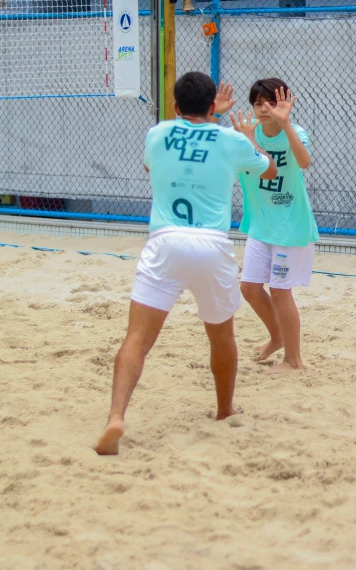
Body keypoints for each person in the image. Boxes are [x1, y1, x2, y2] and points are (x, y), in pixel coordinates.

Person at [94, 72, 277, 455]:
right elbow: (270, 170)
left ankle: (115, 417)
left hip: (165, 243)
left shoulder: (158, 133)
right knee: (221, 337)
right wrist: (238, 132)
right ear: (212, 106)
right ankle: (224, 410)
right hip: (211, 246)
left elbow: (154, 166)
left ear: (176, 106)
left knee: (136, 338)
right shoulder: (230, 140)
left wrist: (207, 120)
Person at [227, 78, 319, 373]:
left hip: (290, 225)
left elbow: (304, 162)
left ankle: (294, 360)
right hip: (261, 224)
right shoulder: (245, 134)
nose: (264, 109)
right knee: (250, 288)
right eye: (258, 104)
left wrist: (286, 124)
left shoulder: (295, 132)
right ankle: (277, 337)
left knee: (280, 291)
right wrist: (218, 116)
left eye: (270, 103)